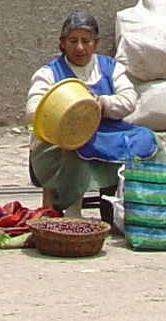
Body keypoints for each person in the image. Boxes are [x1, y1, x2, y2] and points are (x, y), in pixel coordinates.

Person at [22, 12, 154, 217]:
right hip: (62, 139)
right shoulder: (48, 73)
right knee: (75, 150)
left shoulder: (111, 68)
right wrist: (65, 109)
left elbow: (129, 100)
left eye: (86, 41)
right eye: (73, 41)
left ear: (96, 43)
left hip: (105, 131)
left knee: (148, 140)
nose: (80, 48)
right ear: (62, 42)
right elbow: (33, 111)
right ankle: (71, 210)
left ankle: (138, 209)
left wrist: (101, 103)